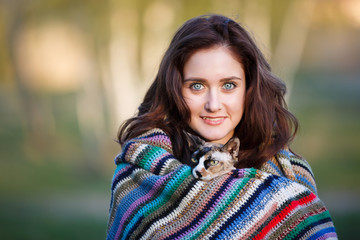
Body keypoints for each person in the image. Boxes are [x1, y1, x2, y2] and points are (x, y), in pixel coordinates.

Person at [106, 14, 337, 239]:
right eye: (196, 86)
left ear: (249, 89)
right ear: (174, 90)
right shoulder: (140, 175)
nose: (213, 105)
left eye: (228, 85)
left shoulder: (290, 172)